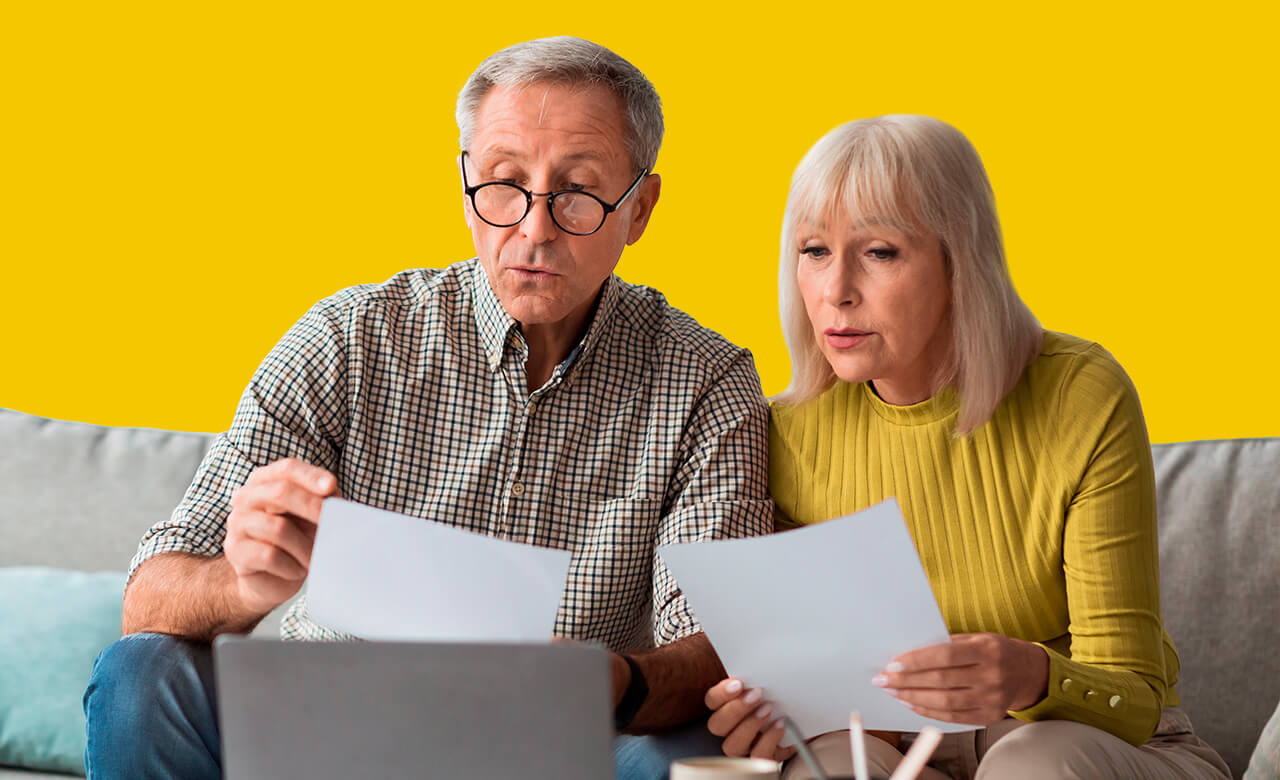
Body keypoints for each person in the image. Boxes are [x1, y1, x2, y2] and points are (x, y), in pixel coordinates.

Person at [83, 36, 761, 780]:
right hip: (322, 729)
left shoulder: (705, 379)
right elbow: (148, 597)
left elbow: (717, 642)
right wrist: (240, 585)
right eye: (504, 183)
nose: (534, 229)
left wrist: (617, 682)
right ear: (465, 182)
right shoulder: (349, 337)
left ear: (639, 208)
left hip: (552, 744)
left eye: (578, 190)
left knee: (690, 752)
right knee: (139, 675)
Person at [702, 115, 1230, 778]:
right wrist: (774, 714)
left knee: (1032, 762)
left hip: (1107, 748)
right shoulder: (782, 430)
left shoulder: (1080, 395)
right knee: (833, 766)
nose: (835, 291)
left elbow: (1135, 703)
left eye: (880, 252)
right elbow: (831, 693)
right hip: (905, 752)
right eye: (813, 251)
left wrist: (1034, 677)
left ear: (960, 262)